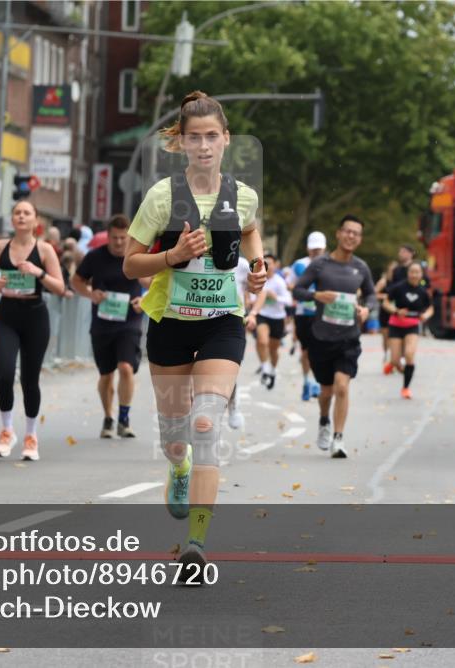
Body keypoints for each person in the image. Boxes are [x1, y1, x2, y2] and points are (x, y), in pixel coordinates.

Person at [123, 91, 266, 574]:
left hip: (222, 323)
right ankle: (178, 467)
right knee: (176, 437)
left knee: (206, 423)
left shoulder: (242, 195)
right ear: (180, 143)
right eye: (194, 138)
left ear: (226, 141)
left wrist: (259, 266)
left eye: (212, 137)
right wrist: (172, 256)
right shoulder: (162, 197)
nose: (203, 146)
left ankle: (196, 545)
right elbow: (129, 264)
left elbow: (249, 231)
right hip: (169, 324)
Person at [0, 200, 64, 461]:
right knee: (4, 374)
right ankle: (6, 431)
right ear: (12, 219)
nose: (21, 216)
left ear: (36, 220)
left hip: (35, 317)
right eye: (17, 212)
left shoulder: (45, 249)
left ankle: (30, 435)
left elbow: (60, 287)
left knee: (30, 379)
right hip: (7, 314)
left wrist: (38, 272)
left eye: (27, 212)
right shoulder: (0, 246)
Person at [293, 215, 377, 457]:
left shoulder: (361, 268)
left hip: (349, 338)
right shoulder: (320, 264)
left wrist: (366, 309)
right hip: (321, 336)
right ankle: (323, 420)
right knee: (326, 391)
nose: (351, 236)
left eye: (356, 233)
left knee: (342, 387)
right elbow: (298, 290)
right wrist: (317, 296)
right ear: (339, 234)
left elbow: (371, 295)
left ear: (359, 239)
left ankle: (338, 439)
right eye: (348, 231)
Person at [72, 214, 151, 438]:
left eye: (123, 238)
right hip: (102, 323)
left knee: (125, 368)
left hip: (130, 321)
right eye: (114, 238)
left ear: (129, 237)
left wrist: (145, 300)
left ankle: (124, 418)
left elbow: (154, 282)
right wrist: (90, 294)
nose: (118, 243)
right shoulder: (95, 257)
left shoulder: (136, 257)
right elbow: (76, 281)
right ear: (107, 236)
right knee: (106, 374)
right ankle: (108, 417)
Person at [382, 262, 434, 399]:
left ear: (421, 275)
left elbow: (430, 308)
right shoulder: (398, 288)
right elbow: (386, 302)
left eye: (417, 272)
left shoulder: (423, 292)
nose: (414, 275)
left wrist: (425, 316)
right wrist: (396, 310)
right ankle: (392, 364)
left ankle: (405, 388)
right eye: (412, 272)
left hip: (412, 326)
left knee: (410, 354)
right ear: (408, 273)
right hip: (396, 325)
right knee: (395, 360)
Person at [246, 254, 291, 390]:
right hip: (263, 315)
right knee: (262, 341)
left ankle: (272, 370)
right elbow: (252, 297)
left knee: (273, 349)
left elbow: (289, 301)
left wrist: (275, 297)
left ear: (276, 265)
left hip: (277, 317)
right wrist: (254, 301)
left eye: (271, 263)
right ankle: (265, 368)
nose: (268, 266)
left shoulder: (279, 281)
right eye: (266, 263)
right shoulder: (259, 279)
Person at [290, 231, 326, 400]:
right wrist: (305, 293)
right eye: (313, 249)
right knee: (305, 351)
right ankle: (307, 382)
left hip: (323, 314)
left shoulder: (330, 264)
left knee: (319, 349)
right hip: (303, 314)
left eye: (318, 249)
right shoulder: (299, 265)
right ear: (308, 248)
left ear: (324, 248)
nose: (316, 252)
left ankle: (317, 382)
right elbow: (290, 285)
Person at [225, 255, 251, 429]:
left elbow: (255, 289)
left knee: (228, 373)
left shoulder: (242, 264)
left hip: (233, 322)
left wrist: (252, 313)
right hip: (199, 320)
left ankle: (232, 405)